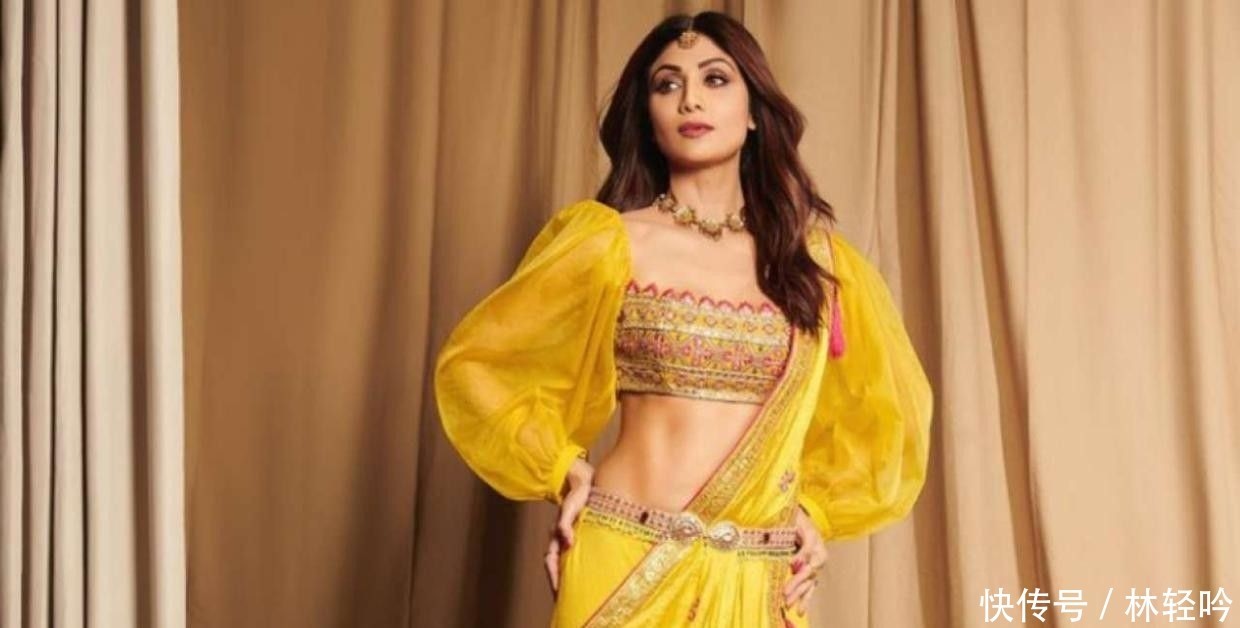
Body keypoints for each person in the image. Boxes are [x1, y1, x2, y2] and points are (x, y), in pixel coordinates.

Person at [433, 11, 933, 628]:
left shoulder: (816, 266)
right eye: (667, 84)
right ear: (648, 116)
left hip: (757, 577)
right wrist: (563, 469)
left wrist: (815, 512)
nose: (690, 98)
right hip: (625, 557)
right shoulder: (609, 242)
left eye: (715, 79)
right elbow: (478, 366)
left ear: (754, 112)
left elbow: (887, 416)